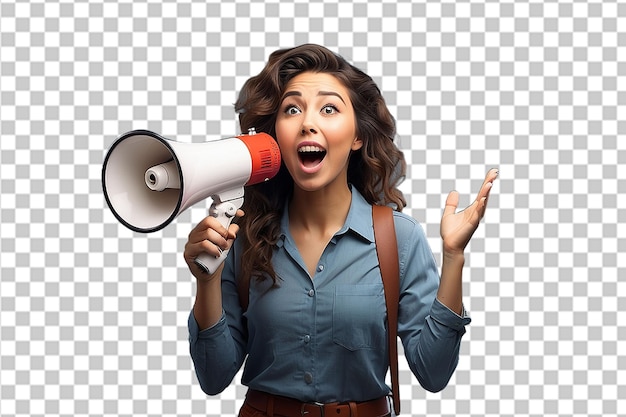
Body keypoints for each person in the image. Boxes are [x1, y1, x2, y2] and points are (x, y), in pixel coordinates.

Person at [184, 44, 498, 417]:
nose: (307, 123)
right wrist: (207, 280)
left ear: (357, 137)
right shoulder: (242, 236)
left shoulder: (399, 239)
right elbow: (214, 376)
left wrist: (453, 257)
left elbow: (433, 372)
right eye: (292, 109)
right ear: (276, 138)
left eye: (329, 108)